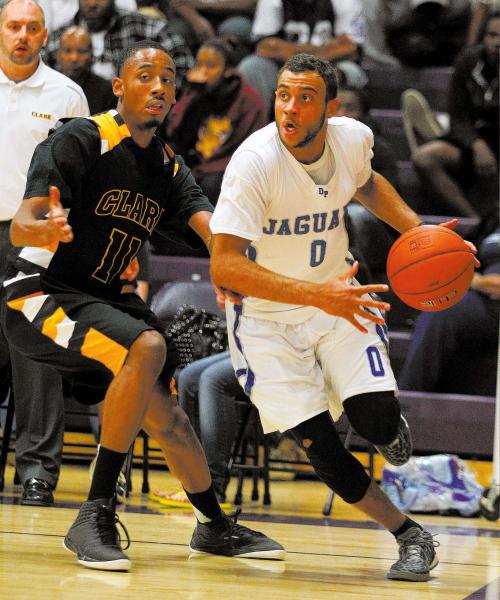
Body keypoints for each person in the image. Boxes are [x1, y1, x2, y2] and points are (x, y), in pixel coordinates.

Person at [1, 39, 284, 571]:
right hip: (39, 293)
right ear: (119, 87)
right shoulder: (82, 139)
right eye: (146, 76)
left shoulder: (167, 167)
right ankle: (94, 513)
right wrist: (46, 226)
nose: (159, 87)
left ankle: (213, 526)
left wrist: (260, 267)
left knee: (171, 419)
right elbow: (21, 222)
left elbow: (215, 235)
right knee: (148, 345)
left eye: (168, 79)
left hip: (101, 300)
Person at [209, 53, 481, 582]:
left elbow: (367, 183)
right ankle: (411, 535)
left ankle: (385, 425)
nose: (289, 107)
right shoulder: (254, 163)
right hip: (267, 323)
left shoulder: (351, 139)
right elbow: (224, 264)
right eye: (283, 95)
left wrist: (423, 236)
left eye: (305, 97)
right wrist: (314, 296)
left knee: (374, 418)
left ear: (329, 109)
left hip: (339, 302)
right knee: (322, 449)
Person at [0, 0, 89, 507]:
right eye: (14, 26)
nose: (23, 35)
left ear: (44, 36)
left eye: (33, 28)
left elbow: (83, 177)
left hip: (35, 236)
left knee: (35, 353)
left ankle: (37, 471)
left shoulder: (66, 94)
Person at [412, 11, 499, 234]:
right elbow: (458, 114)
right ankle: (475, 220)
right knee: (424, 158)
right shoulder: (468, 61)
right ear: (484, 37)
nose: (497, 42)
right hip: (472, 140)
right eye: (492, 35)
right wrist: (476, 144)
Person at [162, 37, 266, 207]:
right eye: (199, 64)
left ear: (228, 70)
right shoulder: (196, 90)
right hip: (195, 156)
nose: (203, 72)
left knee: (209, 185)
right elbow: (175, 132)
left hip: (226, 163)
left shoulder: (248, 100)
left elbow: (249, 147)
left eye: (211, 66)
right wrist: (193, 99)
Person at [398, 227, 500, 396]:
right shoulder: (493, 221)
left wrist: (464, 279)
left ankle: (407, 399)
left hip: (493, 302)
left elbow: (495, 285)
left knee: (446, 308)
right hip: (481, 296)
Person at [237, 0, 367, 116]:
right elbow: (264, 46)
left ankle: (340, 134)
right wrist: (326, 48)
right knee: (252, 66)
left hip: (330, 65)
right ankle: (258, 130)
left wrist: (289, 50)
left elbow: (350, 48)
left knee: (351, 71)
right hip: (283, 66)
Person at [45, 0, 193, 87]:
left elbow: (182, 61)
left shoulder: (139, 26)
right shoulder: (62, 36)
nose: (92, 3)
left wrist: (158, 93)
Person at [55, 25, 116, 114]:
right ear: (58, 54)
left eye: (81, 51)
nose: (74, 58)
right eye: (68, 51)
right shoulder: (47, 86)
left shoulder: (106, 92)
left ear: (92, 55)